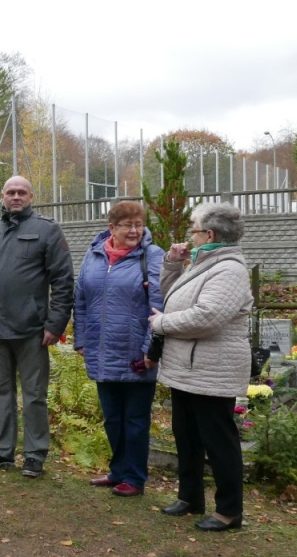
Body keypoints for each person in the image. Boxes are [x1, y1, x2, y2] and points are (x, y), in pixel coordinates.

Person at [148, 202, 253, 532]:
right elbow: (171, 295)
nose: (189, 234)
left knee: (218, 442)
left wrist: (162, 324)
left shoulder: (229, 270)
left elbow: (208, 317)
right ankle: (190, 497)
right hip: (187, 369)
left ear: (210, 234)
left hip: (212, 371)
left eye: (193, 228)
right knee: (187, 437)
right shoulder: (202, 264)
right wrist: (172, 264)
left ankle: (229, 511)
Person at [0, 176, 74, 477]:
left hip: (32, 331)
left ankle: (35, 455)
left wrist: (55, 324)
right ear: (2, 196)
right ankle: (3, 451)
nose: (16, 197)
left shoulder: (47, 230)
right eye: (11, 192)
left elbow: (63, 282)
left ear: (31, 196)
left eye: (22, 193)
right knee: (0, 391)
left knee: (34, 395)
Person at [74, 201, 164, 497]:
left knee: (135, 419)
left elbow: (159, 306)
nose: (135, 231)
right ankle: (118, 471)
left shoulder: (152, 256)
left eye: (139, 225)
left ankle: (135, 478)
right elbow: (82, 300)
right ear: (111, 228)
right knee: (112, 416)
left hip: (136, 353)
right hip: (102, 349)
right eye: (128, 225)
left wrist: (150, 350)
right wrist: (82, 340)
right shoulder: (94, 255)